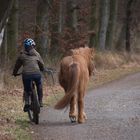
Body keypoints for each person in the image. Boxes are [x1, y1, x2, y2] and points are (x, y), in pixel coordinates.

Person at [12, 38, 45, 112]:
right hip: (37, 74)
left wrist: (14, 73)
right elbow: (42, 64)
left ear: (25, 46)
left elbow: (17, 66)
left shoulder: (21, 55)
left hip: (26, 75)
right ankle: (40, 101)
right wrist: (42, 69)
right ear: (33, 46)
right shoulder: (37, 54)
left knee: (27, 89)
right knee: (39, 85)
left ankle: (27, 103)